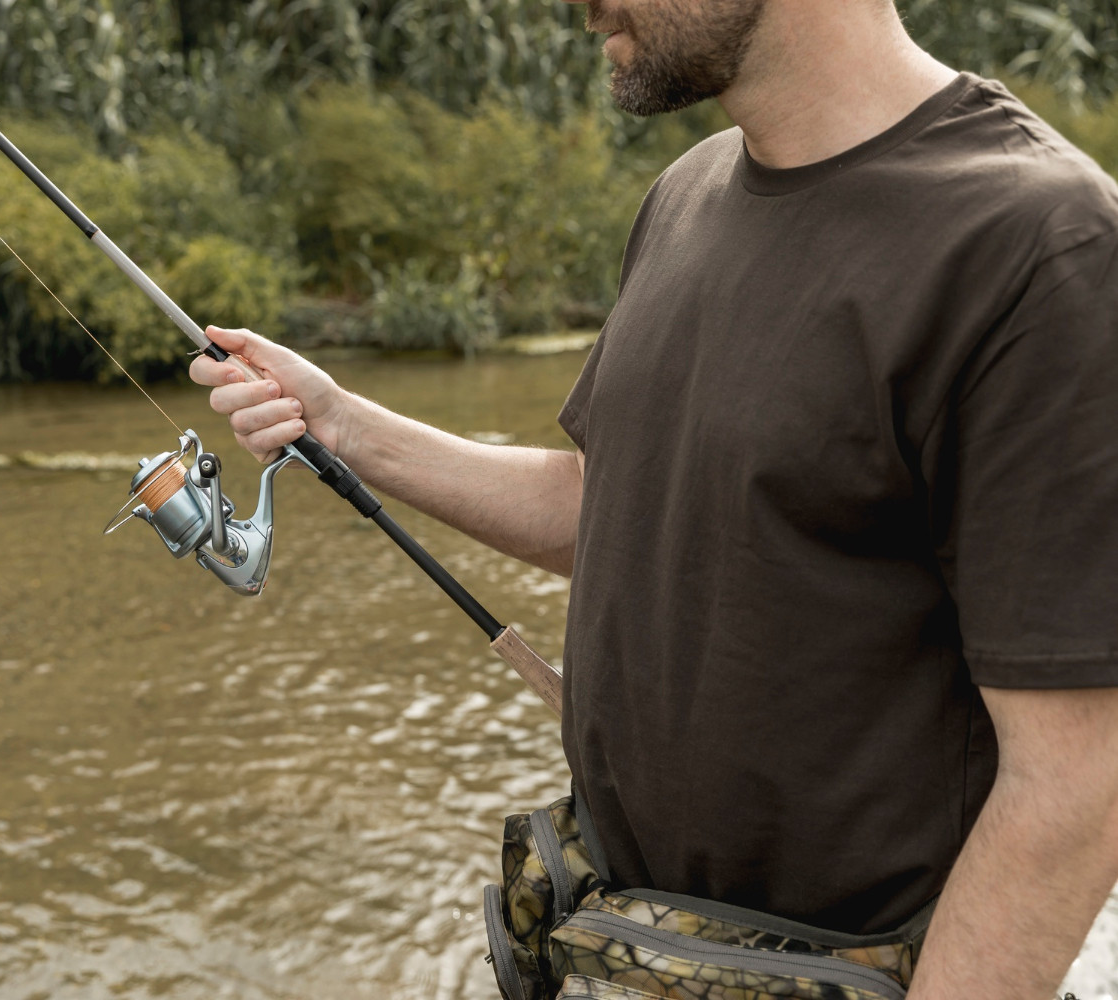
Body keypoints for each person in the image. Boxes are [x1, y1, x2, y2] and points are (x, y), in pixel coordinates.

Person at [190, 0, 1118, 995]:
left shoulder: (1041, 244)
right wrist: (346, 426)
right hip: (618, 952)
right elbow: (615, 503)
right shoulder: (687, 192)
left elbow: (1077, 777)